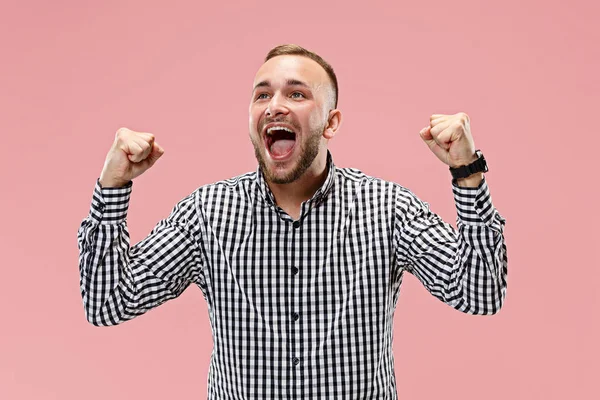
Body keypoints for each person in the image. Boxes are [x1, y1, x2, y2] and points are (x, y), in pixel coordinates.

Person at [77, 44, 507, 400]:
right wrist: (113, 185)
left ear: (331, 123)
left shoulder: (387, 208)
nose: (275, 106)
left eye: (297, 94)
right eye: (262, 95)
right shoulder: (208, 214)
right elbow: (107, 302)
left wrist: (466, 173)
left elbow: (480, 292)